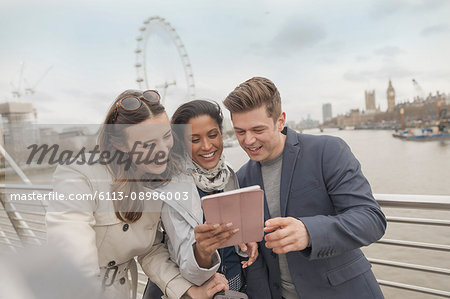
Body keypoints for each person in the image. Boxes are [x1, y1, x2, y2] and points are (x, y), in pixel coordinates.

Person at [46, 89, 228, 299]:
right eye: (148, 145)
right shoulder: (78, 174)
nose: (162, 151)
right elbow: (73, 264)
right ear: (120, 144)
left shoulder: (157, 179)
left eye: (167, 136)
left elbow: (150, 249)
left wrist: (188, 292)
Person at [223, 77, 387, 299]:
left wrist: (309, 232)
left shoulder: (328, 151)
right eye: (240, 132)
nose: (248, 140)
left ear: (280, 121)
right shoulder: (241, 178)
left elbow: (371, 219)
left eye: (257, 129)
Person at [143, 100, 258, 298]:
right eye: (194, 139)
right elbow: (189, 269)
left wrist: (245, 238)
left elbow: (233, 236)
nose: (207, 146)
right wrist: (203, 252)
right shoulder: (170, 190)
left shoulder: (228, 174)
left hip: (238, 286)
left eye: (213, 135)